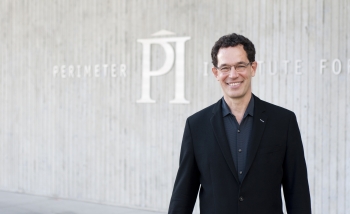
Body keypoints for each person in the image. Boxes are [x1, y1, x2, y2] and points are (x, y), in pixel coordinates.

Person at [168, 33, 311, 214]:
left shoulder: (284, 122)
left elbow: (297, 193)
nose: (233, 75)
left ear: (253, 68)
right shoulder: (196, 126)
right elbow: (183, 196)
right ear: (216, 73)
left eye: (240, 66)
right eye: (225, 68)